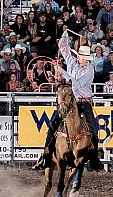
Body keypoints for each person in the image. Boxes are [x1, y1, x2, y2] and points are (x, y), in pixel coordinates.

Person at [32, 33, 103, 171]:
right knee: (53, 124)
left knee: (93, 130)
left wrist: (62, 72)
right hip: (71, 101)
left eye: (84, 58)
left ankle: (95, 159)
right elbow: (63, 48)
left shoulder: (89, 70)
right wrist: (64, 38)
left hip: (84, 102)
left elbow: (75, 84)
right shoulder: (72, 61)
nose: (82, 60)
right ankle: (45, 156)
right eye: (81, 57)